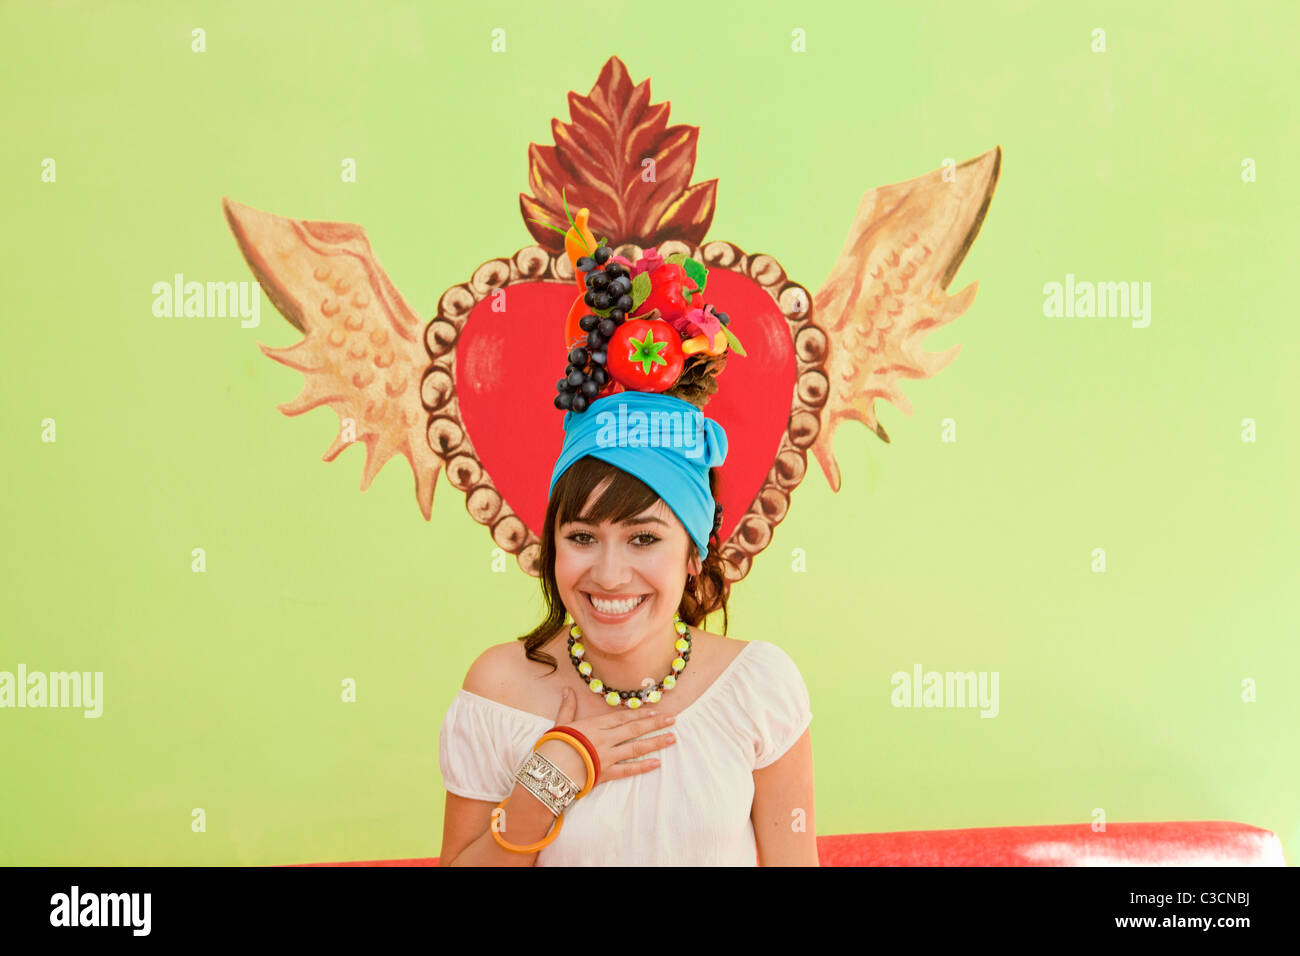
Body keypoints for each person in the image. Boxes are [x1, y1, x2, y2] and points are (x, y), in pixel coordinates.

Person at [437, 223, 816, 866]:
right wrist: (548, 779)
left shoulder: (759, 688)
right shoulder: (499, 690)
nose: (610, 574)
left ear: (694, 552)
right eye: (582, 536)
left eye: (644, 537)